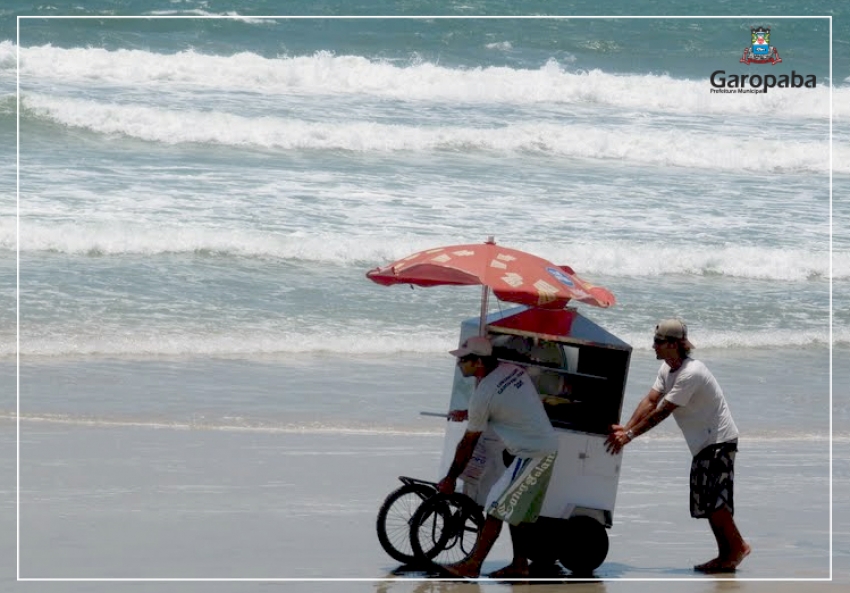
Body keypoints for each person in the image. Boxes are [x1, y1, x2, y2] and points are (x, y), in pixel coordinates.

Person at [605, 319, 751, 573]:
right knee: (706, 503)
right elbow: (651, 400)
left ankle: (737, 547)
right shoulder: (667, 369)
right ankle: (725, 555)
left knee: (716, 503)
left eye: (658, 342)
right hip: (702, 442)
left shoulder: (691, 373)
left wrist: (629, 436)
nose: (653, 346)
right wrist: (625, 427)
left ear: (674, 344)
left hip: (719, 439)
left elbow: (662, 412)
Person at [436, 335, 558, 579]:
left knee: (495, 505)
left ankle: (473, 565)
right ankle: (520, 564)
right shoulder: (512, 370)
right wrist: (471, 412)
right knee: (518, 513)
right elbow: (507, 405)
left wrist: (451, 478)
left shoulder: (484, 393)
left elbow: (467, 444)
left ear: (479, 362)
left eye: (464, 360)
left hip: (531, 453)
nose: (459, 364)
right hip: (544, 447)